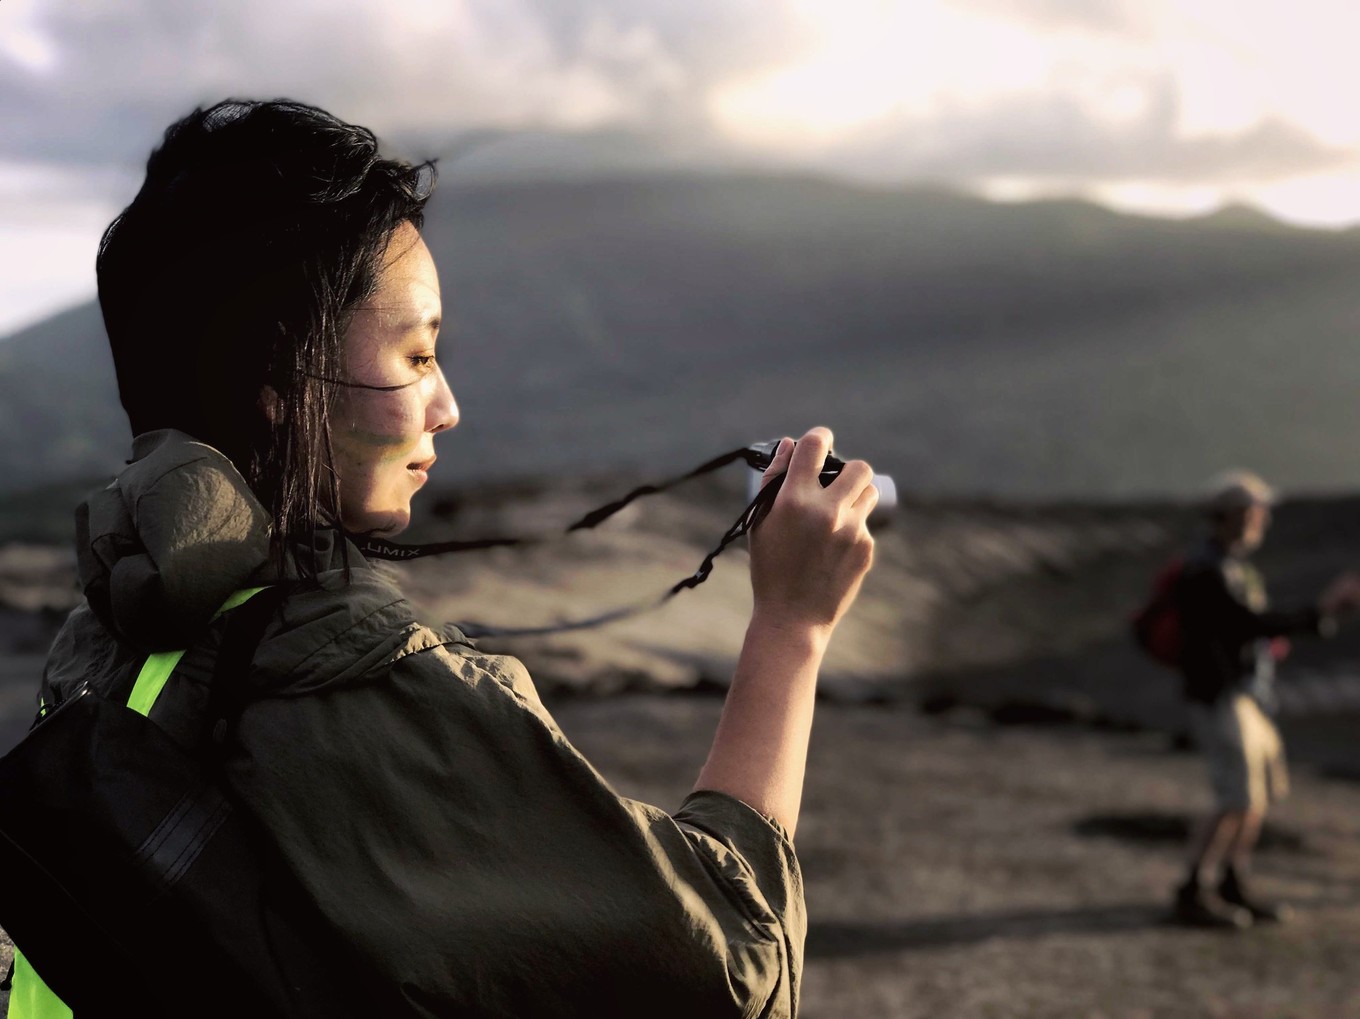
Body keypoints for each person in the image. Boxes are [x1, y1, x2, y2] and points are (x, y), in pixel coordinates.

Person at [16, 99, 878, 1015]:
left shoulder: (104, 637)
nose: (447, 406)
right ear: (282, 376)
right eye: (418, 354)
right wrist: (791, 626)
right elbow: (730, 973)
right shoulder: (354, 678)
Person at [1170, 470, 1349, 928]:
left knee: (1255, 795)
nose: (1262, 521)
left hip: (1244, 695)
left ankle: (1230, 880)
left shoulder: (1226, 566)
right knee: (1235, 793)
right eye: (1255, 512)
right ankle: (1195, 887)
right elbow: (1246, 623)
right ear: (1232, 516)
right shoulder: (1207, 571)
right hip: (1222, 696)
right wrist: (1322, 612)